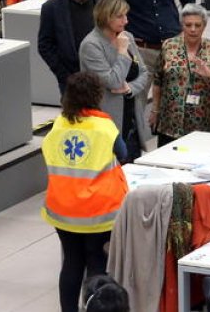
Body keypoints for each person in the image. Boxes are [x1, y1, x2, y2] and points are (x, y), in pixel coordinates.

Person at [42, 72, 129, 312]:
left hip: (63, 209)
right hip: (98, 214)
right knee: (96, 263)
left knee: (71, 263)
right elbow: (122, 154)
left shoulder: (58, 124)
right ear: (97, 96)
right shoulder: (104, 126)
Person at [79, 0, 151, 162]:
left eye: (126, 15)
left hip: (131, 119)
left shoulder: (127, 37)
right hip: (107, 123)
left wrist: (129, 89)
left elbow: (144, 72)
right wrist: (122, 53)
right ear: (105, 16)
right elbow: (112, 81)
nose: (125, 21)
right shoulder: (91, 45)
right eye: (120, 16)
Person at [151, 3, 210, 147]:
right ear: (182, 25)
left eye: (197, 25)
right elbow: (158, 80)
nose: (193, 30)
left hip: (202, 125)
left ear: (204, 26)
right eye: (188, 25)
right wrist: (155, 111)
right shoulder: (169, 46)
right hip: (170, 125)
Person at [39, 0, 104, 95]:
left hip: (102, 77)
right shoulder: (52, 8)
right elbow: (45, 46)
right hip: (72, 81)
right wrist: (64, 76)